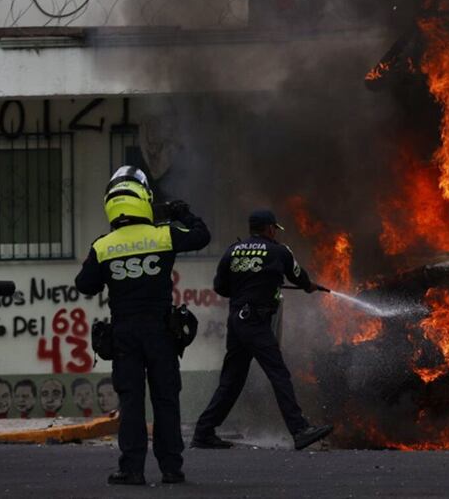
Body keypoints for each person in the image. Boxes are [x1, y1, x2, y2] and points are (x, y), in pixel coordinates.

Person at [76, 166, 210, 485]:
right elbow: (202, 236)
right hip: (162, 331)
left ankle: (132, 468)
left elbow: (85, 284)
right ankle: (171, 467)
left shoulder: (103, 245)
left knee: (132, 400)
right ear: (144, 198)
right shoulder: (163, 235)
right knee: (166, 398)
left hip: (124, 332)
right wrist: (184, 213)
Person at [191, 210, 333, 451]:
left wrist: (245, 288)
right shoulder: (279, 251)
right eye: (274, 228)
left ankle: (203, 432)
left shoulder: (232, 251)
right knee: (278, 373)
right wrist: (308, 286)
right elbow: (298, 276)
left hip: (237, 321)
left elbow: (220, 287)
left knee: (232, 380)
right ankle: (299, 429)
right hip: (255, 322)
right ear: (269, 229)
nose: (275, 232)